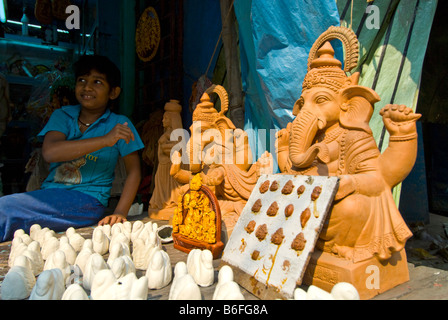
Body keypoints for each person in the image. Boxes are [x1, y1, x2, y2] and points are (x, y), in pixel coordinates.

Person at [0, 55, 144, 242]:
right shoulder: (63, 116)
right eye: (81, 80)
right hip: (50, 194)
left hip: (88, 201)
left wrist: (120, 212)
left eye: (97, 82)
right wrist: (105, 140)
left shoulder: (120, 124)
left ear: (113, 92)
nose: (87, 87)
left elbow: (134, 172)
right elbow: (51, 152)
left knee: (5, 210)